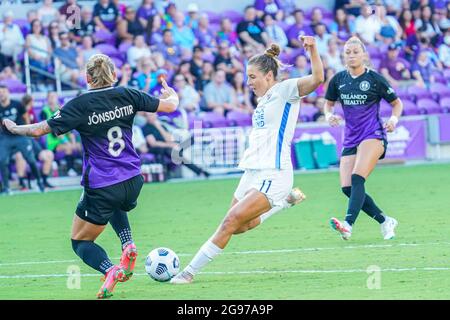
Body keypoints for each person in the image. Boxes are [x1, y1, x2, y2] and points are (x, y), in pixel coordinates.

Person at [2, 54, 179, 298]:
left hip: (103, 185)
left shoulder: (80, 105)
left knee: (80, 242)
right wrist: (172, 93)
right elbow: (170, 105)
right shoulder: (128, 94)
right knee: (117, 203)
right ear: (114, 75)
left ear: (87, 78)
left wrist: (13, 127)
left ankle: (110, 270)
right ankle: (128, 244)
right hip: (134, 179)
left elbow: (37, 130)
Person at [170, 37, 323, 285]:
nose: (248, 82)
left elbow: (317, 78)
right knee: (241, 225)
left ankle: (188, 272)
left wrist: (313, 49)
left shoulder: (285, 90)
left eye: (252, 76)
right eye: (247, 76)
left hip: (274, 173)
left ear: (269, 76)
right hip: (253, 172)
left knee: (229, 222)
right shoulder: (263, 101)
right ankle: (284, 203)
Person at [323, 36, 403, 241]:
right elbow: (328, 103)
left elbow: (397, 103)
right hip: (351, 137)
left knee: (358, 177)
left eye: (355, 52)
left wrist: (393, 120)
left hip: (373, 134)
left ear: (364, 55)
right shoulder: (338, 80)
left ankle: (348, 225)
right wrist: (328, 115)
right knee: (347, 188)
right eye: (347, 53)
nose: (351, 56)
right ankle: (385, 221)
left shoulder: (375, 79)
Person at [0, 85, 44, 195]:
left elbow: (26, 117)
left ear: (8, 92)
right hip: (6, 137)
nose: (2, 94)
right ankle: (6, 188)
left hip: (20, 135)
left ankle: (40, 183)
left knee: (30, 159)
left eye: (3, 91)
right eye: (0, 92)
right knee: (2, 160)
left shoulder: (17, 104)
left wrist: (29, 131)